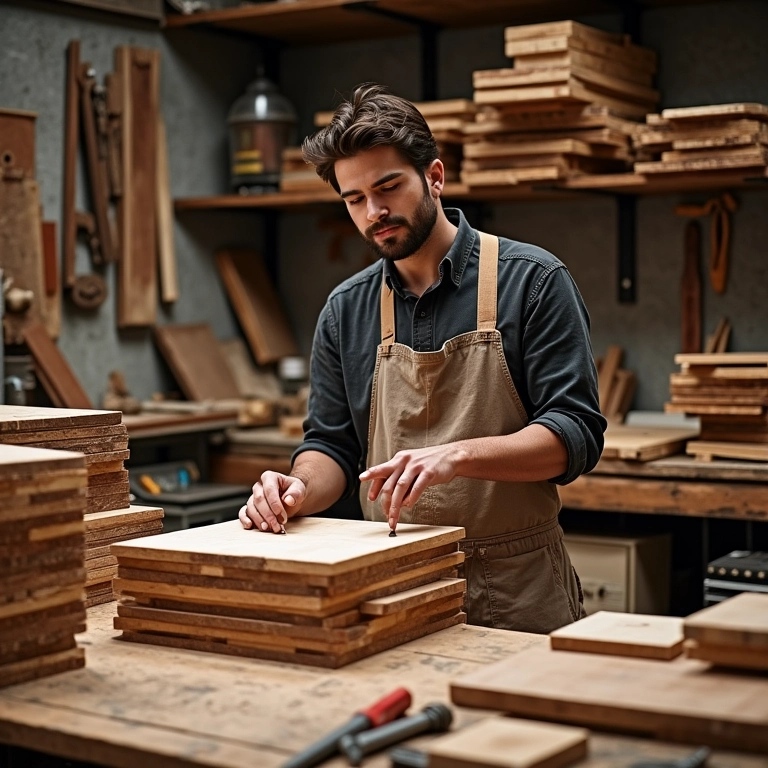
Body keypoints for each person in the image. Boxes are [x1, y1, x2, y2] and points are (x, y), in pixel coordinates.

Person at [239, 83, 606, 634]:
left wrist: (457, 456)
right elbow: (332, 446)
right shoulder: (345, 310)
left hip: (516, 584)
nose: (375, 212)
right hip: (392, 580)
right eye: (354, 199)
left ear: (434, 176)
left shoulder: (533, 281)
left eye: (388, 187)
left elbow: (575, 434)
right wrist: (298, 490)